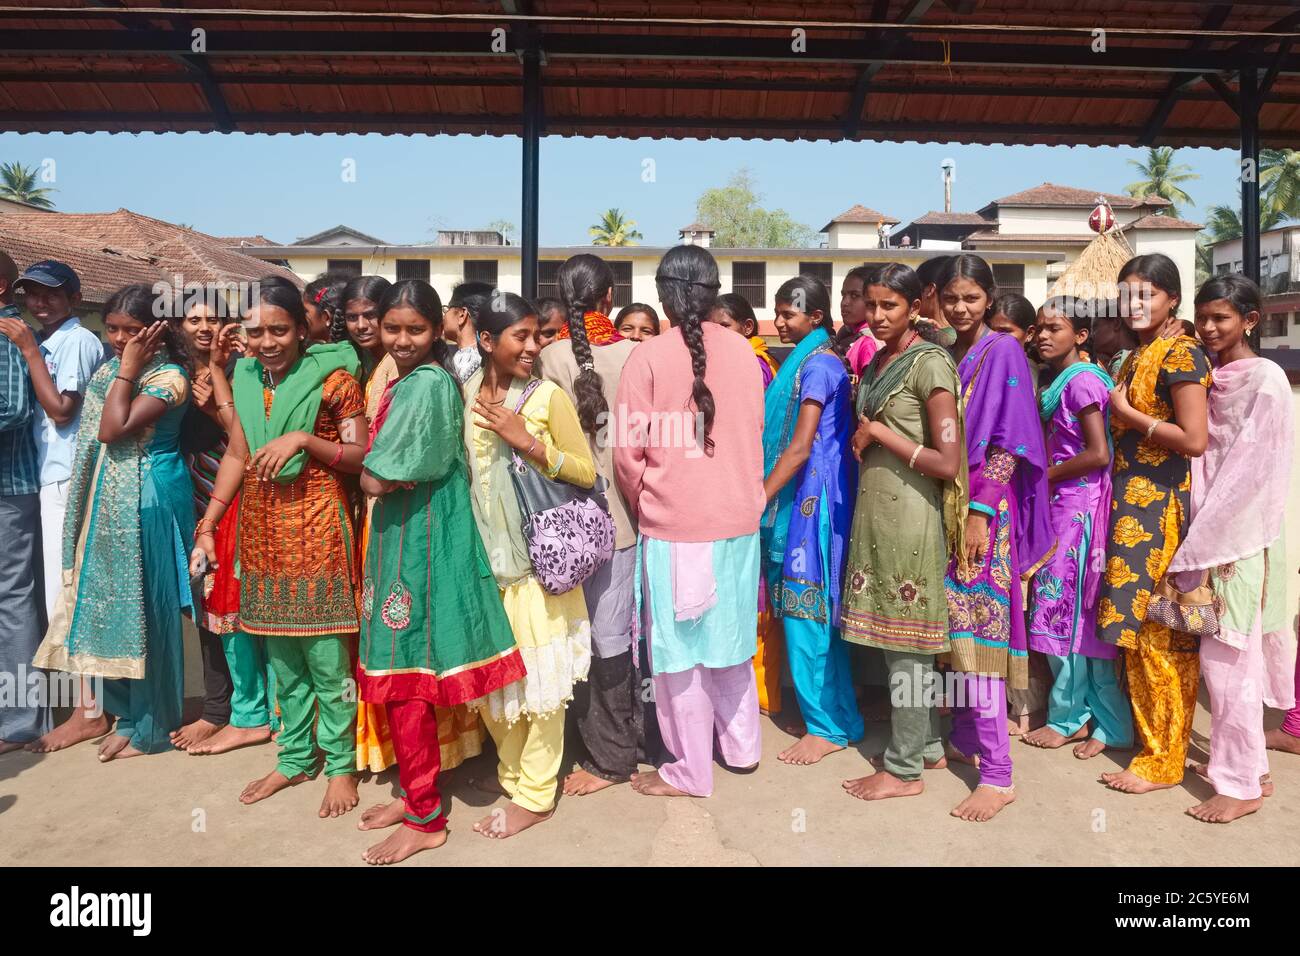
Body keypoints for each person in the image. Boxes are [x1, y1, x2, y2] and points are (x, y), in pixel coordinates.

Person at [353, 279, 526, 863]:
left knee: (407, 680)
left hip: (422, 543)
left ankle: (426, 816)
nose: (401, 339)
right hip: (404, 538)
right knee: (407, 680)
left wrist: (372, 472)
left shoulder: (426, 385)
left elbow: (380, 474)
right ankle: (415, 794)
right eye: (393, 328)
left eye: (416, 330)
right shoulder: (408, 379)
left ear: (437, 332)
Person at [191, 275, 366, 817]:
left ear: (301, 329)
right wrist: (208, 525)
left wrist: (304, 441)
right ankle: (293, 756)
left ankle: (339, 765)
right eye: (257, 331)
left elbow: (362, 457)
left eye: (279, 330)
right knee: (282, 657)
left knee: (326, 659)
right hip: (262, 530)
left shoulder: (335, 380)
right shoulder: (246, 375)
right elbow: (240, 454)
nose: (268, 342)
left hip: (317, 529)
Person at [614, 244, 766, 798]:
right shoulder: (747, 353)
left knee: (679, 655)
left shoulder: (647, 357)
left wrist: (645, 504)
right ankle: (743, 748)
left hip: (677, 525)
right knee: (730, 643)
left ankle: (690, 770)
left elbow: (627, 455)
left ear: (664, 294)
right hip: (738, 522)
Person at [33, 284, 193, 759]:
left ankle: (152, 726)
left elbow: (111, 428)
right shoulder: (113, 367)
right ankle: (123, 714)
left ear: (158, 331)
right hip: (107, 499)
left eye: (132, 330)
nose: (121, 338)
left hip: (148, 498)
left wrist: (126, 370)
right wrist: (122, 368)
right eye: (114, 329)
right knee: (110, 606)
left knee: (150, 613)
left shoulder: (169, 377)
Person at [462, 292, 596, 838]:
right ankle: (512, 774)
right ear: (487, 342)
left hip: (539, 570)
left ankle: (537, 794)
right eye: (522, 336)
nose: (534, 345)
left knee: (542, 686)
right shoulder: (466, 392)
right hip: (482, 570)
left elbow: (587, 473)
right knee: (495, 688)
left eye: (538, 334)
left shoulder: (547, 398)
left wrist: (529, 444)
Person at [1169, 275, 1292, 823]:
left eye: (1222, 317)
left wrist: (1203, 541)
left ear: (1250, 320)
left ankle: (1239, 785)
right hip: (1208, 531)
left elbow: (1248, 472)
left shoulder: (1265, 380)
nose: (1211, 327)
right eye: (1204, 317)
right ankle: (1247, 766)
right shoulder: (1213, 374)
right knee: (1222, 657)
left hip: (1235, 538)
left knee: (1228, 662)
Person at [840, 263, 964, 802]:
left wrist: (881, 433)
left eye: (889, 305)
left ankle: (903, 768)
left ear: (915, 306)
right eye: (871, 304)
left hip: (911, 518)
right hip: (877, 516)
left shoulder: (930, 365)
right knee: (893, 644)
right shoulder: (881, 361)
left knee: (908, 646)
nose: (877, 315)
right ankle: (929, 745)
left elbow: (947, 459)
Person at [939, 254, 1053, 822]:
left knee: (980, 631)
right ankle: (963, 735)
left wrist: (981, 512)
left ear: (989, 298)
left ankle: (999, 775)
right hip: (948, 506)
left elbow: (1008, 442)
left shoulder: (1002, 350)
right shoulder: (945, 350)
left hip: (984, 512)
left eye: (972, 298)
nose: (961, 308)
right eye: (952, 297)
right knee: (953, 630)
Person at [1097, 253, 1210, 795]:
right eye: (1128, 295)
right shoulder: (1135, 355)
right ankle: (1148, 745)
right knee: (1135, 635)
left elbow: (1194, 439)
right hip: (1126, 510)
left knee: (1161, 636)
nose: (1135, 304)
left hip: (1160, 510)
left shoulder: (1182, 355)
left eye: (1146, 294)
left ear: (1172, 300)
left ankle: (1165, 760)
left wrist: (1133, 417)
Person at [536, 254, 643, 797]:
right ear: (609, 298)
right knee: (611, 637)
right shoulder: (637, 356)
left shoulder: (547, 356)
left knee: (566, 635)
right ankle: (616, 753)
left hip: (560, 522)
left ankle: (589, 749)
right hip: (620, 516)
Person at [2, 260, 109, 753]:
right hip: (49, 475)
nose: (39, 303)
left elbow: (61, 409)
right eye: (32, 294)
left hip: (68, 476)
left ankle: (91, 712)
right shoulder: (50, 340)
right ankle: (86, 706)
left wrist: (27, 350)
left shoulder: (76, 341)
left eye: (50, 294)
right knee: (55, 595)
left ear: (72, 296)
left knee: (67, 594)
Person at [1021, 297, 1131, 758]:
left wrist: (1043, 474)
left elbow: (1097, 454)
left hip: (1078, 507)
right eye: (1039, 329)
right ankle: (1093, 718)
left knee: (1063, 610)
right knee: (1066, 611)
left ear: (1081, 336)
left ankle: (1073, 718)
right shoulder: (1061, 380)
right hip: (1064, 504)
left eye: (1056, 328)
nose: (1043, 336)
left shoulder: (1083, 381)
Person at [761, 275, 863, 765]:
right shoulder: (818, 360)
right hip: (818, 496)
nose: (780, 322)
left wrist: (760, 494)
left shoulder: (817, 366)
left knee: (806, 612)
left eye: (789, 314)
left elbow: (801, 445)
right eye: (778, 313)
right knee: (821, 614)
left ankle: (823, 727)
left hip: (811, 502)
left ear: (816, 318)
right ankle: (843, 717)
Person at [708, 291, 781, 715]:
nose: (717, 337)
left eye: (725, 328)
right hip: (750, 486)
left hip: (745, 488)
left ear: (747, 328)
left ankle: (753, 696)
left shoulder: (751, 365)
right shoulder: (758, 361)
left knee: (749, 597)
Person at [0, 251, 47, 754]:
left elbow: (11, 408)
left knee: (12, 598)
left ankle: (19, 721)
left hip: (10, 486)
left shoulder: (9, 333)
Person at [709, 293, 778, 386]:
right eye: (712, 326)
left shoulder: (755, 364)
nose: (716, 332)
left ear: (748, 327)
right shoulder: (722, 357)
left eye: (724, 326)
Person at [335, 275, 391, 386]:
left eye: (370, 315)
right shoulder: (344, 362)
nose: (361, 326)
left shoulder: (407, 360)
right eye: (352, 317)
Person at [837, 263, 881, 378]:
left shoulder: (868, 343)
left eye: (855, 296)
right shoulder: (849, 335)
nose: (844, 302)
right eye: (843, 295)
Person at [303, 274, 348, 344]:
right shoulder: (360, 351)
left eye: (305, 311)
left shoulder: (315, 354)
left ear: (326, 317)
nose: (300, 317)